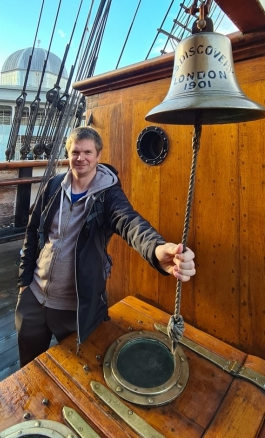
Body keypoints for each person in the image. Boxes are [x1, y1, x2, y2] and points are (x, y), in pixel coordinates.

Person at [16, 126, 196, 367]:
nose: (81, 158)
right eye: (75, 152)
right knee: (28, 368)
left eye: (88, 152)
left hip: (76, 309)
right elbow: (32, 231)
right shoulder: (53, 186)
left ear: (98, 155)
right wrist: (23, 282)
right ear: (68, 154)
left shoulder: (108, 195)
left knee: (78, 370)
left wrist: (156, 249)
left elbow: (130, 222)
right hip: (34, 299)